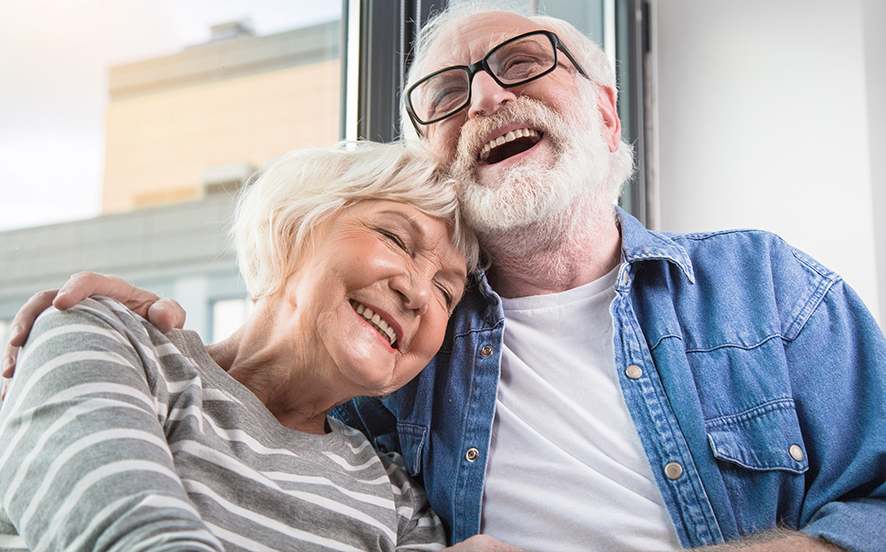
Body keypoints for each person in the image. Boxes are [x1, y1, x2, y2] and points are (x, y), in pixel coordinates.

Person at [4, 0, 886, 552]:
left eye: (523, 63)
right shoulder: (397, 371)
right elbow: (251, 390)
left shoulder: (764, 286)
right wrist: (109, 333)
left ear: (608, 112)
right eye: (448, 94)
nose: (489, 99)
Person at [0, 141, 525, 552]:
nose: (416, 292)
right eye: (394, 239)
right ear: (292, 229)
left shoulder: (400, 502)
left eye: (445, 290)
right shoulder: (107, 338)